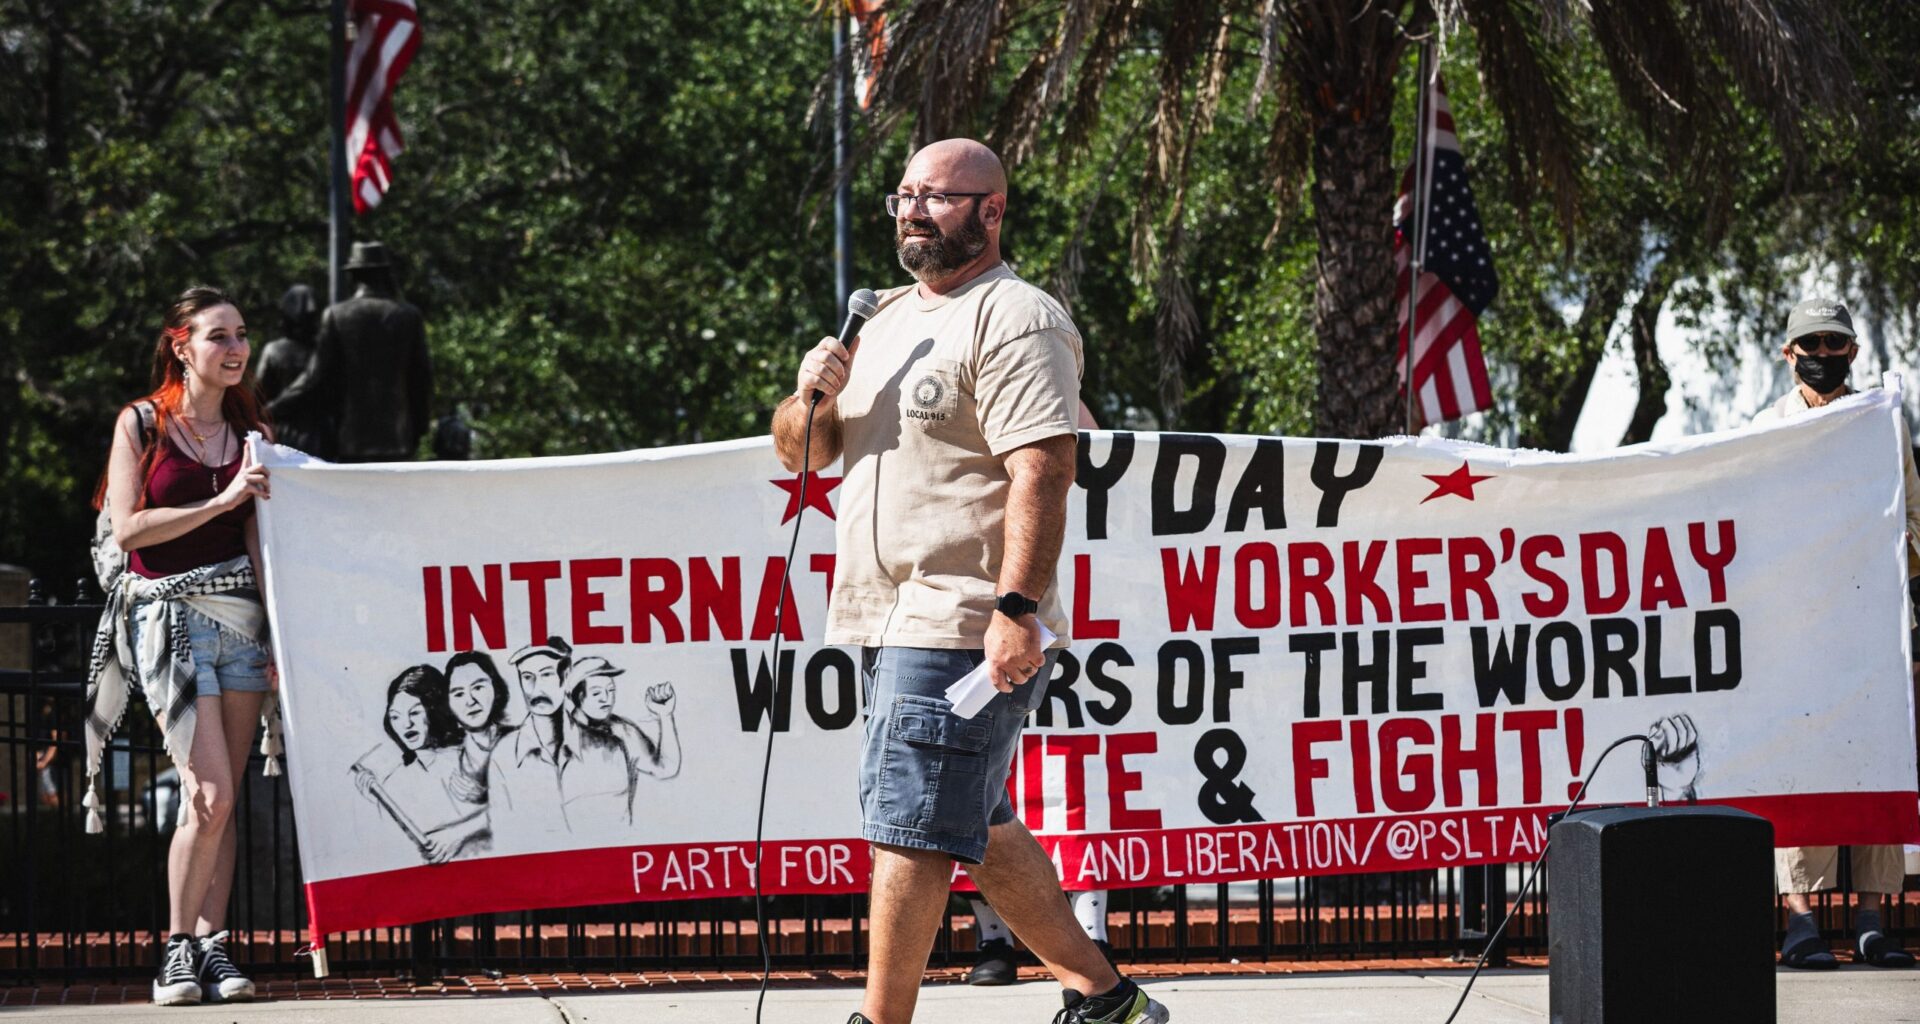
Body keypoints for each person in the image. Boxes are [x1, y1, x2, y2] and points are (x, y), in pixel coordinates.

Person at [772, 138, 1168, 1024]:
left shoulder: (1017, 317)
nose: (914, 211)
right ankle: (1108, 1002)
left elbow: (1044, 468)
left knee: (909, 827)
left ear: (990, 213)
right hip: (882, 616)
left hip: (960, 621)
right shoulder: (877, 322)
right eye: (903, 196)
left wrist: (1016, 611)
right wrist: (810, 398)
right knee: (977, 827)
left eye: (937, 198)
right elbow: (805, 456)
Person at [84, 286, 277, 1006]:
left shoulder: (251, 426)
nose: (235, 349)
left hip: (242, 623)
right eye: (219, 336)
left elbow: (262, 542)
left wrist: (281, 637)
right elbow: (129, 531)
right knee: (210, 793)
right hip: (167, 621)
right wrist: (222, 501)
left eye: (241, 335)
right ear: (182, 345)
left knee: (227, 803)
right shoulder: (141, 422)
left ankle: (213, 947)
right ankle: (175, 949)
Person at [1756, 298, 1919, 970]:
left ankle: (1874, 921)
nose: (1822, 353)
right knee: (1802, 768)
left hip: (1876, 623)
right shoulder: (1765, 430)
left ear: (1852, 351)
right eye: (1809, 343)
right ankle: (1801, 924)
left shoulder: (1882, 421)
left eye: (1834, 343)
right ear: (1787, 353)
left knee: (1876, 764)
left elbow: (1910, 510)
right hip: (1796, 630)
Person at [268, 240, 432, 462]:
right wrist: (419, 428)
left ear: (353, 276)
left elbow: (314, 378)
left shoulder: (337, 315)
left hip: (351, 439)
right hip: (399, 437)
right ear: (385, 274)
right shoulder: (409, 315)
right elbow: (422, 378)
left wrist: (272, 408)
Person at [486, 637, 633, 844]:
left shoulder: (609, 750)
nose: (537, 689)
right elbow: (504, 840)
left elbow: (620, 834)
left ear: (565, 676)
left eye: (546, 675)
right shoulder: (503, 756)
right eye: (527, 677)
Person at [351, 664, 483, 863]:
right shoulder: (395, 780)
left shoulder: (474, 757)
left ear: (435, 709)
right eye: (395, 716)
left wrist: (458, 835)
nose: (406, 725)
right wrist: (374, 799)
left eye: (414, 713)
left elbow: (514, 813)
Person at [567, 656, 682, 788]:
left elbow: (664, 769)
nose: (606, 698)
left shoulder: (622, 731)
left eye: (611, 690)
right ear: (578, 697)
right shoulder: (561, 733)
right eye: (596, 693)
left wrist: (665, 715)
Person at [253, 284, 330, 457]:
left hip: (286, 434)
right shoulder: (323, 351)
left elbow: (258, 395)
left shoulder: (273, 350)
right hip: (319, 436)